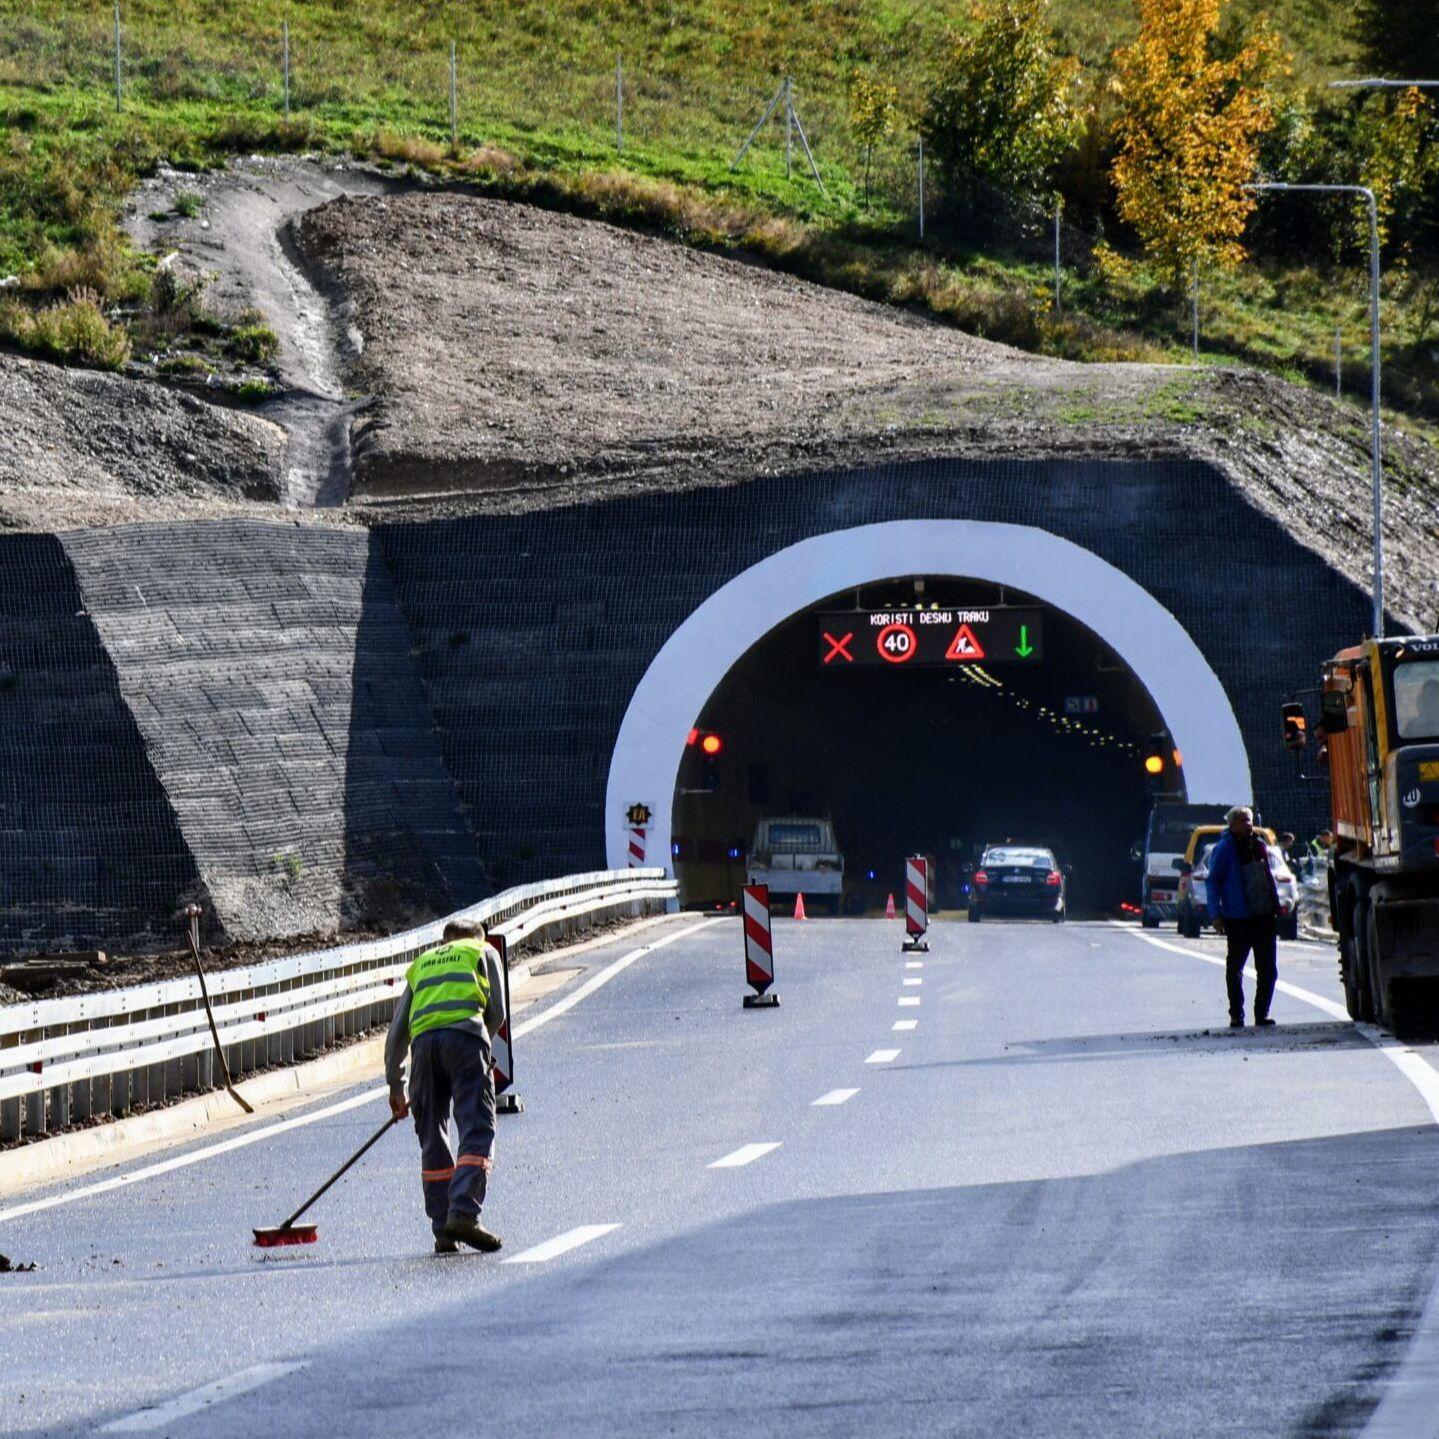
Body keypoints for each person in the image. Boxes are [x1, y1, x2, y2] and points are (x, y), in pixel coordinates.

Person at [385, 919, 506, 1254]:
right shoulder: (483, 950)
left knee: (432, 1135)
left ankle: (442, 1229)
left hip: (422, 1048)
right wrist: (483, 1047)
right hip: (466, 1040)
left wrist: (397, 1085)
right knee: (477, 1128)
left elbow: (397, 1032)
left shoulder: (422, 964)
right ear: (476, 938)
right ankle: (464, 1212)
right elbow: (496, 1011)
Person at [1206, 805, 1279, 1030]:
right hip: (1239, 919)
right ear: (1232, 824)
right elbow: (1213, 882)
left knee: (1268, 970)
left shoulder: (1259, 845)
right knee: (1235, 968)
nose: (1248, 824)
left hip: (1264, 917)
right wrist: (1215, 914)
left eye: (1249, 820)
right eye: (1242, 820)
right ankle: (1237, 1014)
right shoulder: (1224, 849)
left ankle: (1261, 1013)